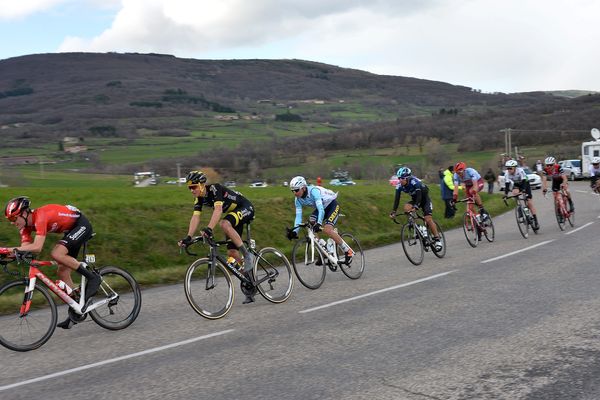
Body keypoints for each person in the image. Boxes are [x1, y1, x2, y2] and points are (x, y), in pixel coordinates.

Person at [4, 196, 99, 329]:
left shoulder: (40, 216)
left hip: (81, 224)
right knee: (62, 271)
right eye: (9, 220)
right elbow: (26, 250)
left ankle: (93, 278)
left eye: (14, 218)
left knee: (56, 253)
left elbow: (37, 247)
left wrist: (8, 249)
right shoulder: (25, 228)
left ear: (24, 213)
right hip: (71, 230)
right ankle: (77, 308)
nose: (12, 222)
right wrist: (7, 255)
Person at [178, 170, 257, 304]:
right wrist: (188, 237)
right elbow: (195, 217)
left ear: (202, 185)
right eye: (189, 188)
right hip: (233, 215)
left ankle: (248, 255)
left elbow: (218, 210)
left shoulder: (215, 189)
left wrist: (209, 229)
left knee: (224, 223)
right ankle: (249, 281)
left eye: (194, 187)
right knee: (231, 253)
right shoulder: (199, 198)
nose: (191, 190)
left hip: (245, 207)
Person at [286, 176, 354, 264]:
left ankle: (348, 251)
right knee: (311, 224)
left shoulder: (314, 191)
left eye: (296, 190)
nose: (294, 193)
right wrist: (295, 231)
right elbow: (298, 216)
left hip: (332, 205)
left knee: (327, 229)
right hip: (321, 208)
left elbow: (321, 209)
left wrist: (319, 223)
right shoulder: (298, 200)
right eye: (292, 191)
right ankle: (324, 249)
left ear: (303, 188)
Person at [390, 167, 443, 251]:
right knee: (407, 208)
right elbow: (397, 199)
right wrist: (393, 211)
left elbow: (419, 195)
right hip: (415, 200)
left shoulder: (415, 182)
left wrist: (416, 206)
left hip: (425, 200)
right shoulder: (399, 186)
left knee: (428, 219)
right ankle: (420, 228)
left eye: (402, 178)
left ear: (408, 178)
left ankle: (437, 239)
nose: (400, 180)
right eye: (399, 178)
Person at [502, 160, 540, 230]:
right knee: (515, 193)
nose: (509, 170)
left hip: (525, 183)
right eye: (508, 168)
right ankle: (519, 206)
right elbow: (507, 184)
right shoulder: (507, 174)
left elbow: (524, 181)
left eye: (510, 168)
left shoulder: (520, 171)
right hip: (516, 184)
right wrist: (505, 194)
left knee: (529, 203)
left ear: (515, 168)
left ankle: (535, 220)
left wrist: (524, 190)